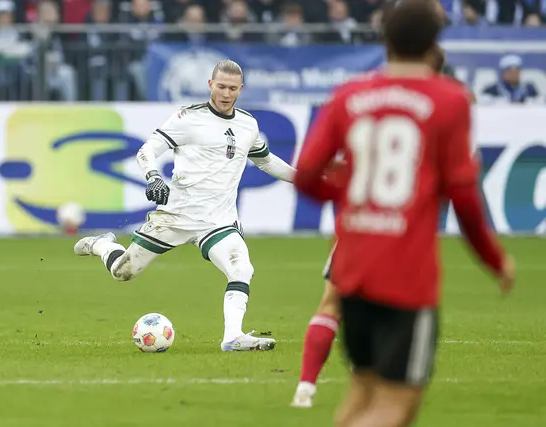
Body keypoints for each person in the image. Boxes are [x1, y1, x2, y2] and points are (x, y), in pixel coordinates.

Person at [293, 1, 515, 426]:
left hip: (352, 266)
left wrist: (350, 193)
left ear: (385, 40)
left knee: (363, 390)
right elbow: (464, 197)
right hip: (406, 275)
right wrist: (494, 258)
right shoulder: (450, 100)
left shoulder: (349, 96)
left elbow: (306, 175)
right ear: (435, 45)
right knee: (397, 405)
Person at [73, 60, 296, 352]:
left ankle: (233, 337)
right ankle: (102, 245)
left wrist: (303, 179)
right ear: (210, 85)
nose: (226, 93)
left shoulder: (247, 125)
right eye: (221, 86)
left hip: (218, 221)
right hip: (176, 216)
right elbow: (147, 150)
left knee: (241, 268)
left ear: (240, 89)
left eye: (232, 88)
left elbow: (265, 161)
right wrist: (153, 177)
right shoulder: (187, 118)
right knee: (123, 272)